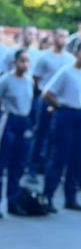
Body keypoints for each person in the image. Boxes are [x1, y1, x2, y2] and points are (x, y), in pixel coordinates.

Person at [42, 41, 81, 212]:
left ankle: (71, 198)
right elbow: (47, 93)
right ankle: (48, 196)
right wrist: (59, 106)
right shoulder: (66, 71)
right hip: (66, 113)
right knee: (59, 156)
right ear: (77, 53)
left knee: (77, 157)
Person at [28, 28, 72, 176]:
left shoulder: (70, 59)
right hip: (46, 100)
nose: (63, 39)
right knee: (41, 133)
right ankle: (32, 167)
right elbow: (36, 79)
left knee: (56, 137)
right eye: (60, 36)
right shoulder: (44, 57)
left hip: (61, 103)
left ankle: (47, 167)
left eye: (65, 36)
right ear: (53, 37)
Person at [0, 50, 34, 217]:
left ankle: (13, 201)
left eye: (27, 61)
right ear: (15, 62)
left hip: (24, 120)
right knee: (3, 161)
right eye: (22, 61)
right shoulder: (6, 80)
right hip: (9, 120)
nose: (25, 65)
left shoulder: (29, 80)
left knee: (19, 163)